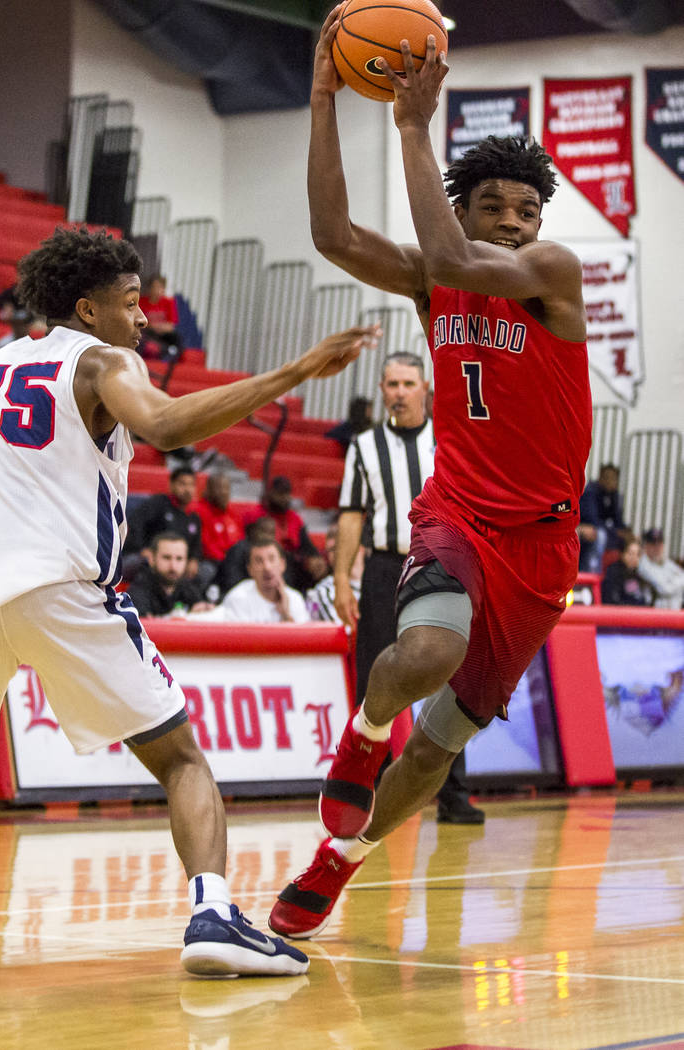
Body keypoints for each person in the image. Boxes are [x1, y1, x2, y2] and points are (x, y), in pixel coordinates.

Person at [0, 227, 377, 975]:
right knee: (183, 759)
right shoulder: (100, 362)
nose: (144, 317)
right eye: (130, 303)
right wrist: (296, 369)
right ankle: (214, 913)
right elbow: (167, 426)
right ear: (87, 310)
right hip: (58, 583)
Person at [268, 14, 591, 941]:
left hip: (543, 544)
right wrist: (327, 99)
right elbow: (331, 232)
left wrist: (411, 125)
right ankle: (362, 731)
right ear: (465, 205)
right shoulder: (435, 276)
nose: (513, 223)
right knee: (423, 657)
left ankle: (341, 860)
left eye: (526, 210)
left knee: (442, 745)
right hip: (458, 512)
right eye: (493, 205)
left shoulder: (551, 273)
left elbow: (452, 257)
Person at [335, 352, 484, 825]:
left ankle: (452, 795)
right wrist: (341, 576)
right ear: (382, 390)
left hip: (440, 567)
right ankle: (371, 791)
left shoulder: (450, 441)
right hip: (382, 568)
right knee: (374, 682)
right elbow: (351, 515)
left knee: (449, 683)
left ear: (426, 389)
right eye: (392, 383)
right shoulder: (363, 445)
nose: (399, 391)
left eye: (408, 383)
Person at [244, 475, 326, 590]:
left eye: (287, 493)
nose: (284, 498)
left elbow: (308, 548)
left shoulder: (294, 518)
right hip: (265, 561)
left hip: (293, 565)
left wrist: (315, 559)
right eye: (280, 493)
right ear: (270, 493)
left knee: (318, 566)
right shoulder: (255, 515)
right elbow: (246, 546)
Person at [123, 465, 203, 579]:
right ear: (171, 484)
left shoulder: (194, 518)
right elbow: (135, 525)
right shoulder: (157, 504)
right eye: (183, 484)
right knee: (145, 564)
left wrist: (194, 559)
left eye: (191, 485)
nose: (188, 489)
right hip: (143, 558)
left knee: (204, 571)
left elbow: (196, 546)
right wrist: (142, 550)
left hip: (176, 563)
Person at [220, 537, 309, 623]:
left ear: (282, 564)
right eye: (259, 561)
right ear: (250, 569)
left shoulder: (295, 599)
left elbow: (300, 637)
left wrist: (285, 614)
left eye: (271, 559)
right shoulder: (238, 598)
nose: (267, 567)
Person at [126, 532, 212, 618]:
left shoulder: (188, 587)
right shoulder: (139, 589)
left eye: (179, 559)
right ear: (152, 559)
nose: (173, 566)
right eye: (166, 558)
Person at [193, 472, 244, 593]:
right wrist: (227, 561)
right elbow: (205, 545)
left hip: (232, 563)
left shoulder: (234, 515)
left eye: (226, 488)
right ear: (208, 490)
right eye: (219, 487)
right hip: (211, 562)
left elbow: (241, 543)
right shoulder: (199, 512)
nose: (223, 492)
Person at [578, 463, 630, 574]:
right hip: (585, 530)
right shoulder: (591, 492)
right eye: (607, 478)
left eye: (614, 479)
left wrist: (626, 532)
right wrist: (615, 531)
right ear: (600, 478)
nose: (610, 482)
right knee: (600, 535)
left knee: (629, 539)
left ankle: (622, 578)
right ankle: (591, 574)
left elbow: (618, 521)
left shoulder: (613, 496)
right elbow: (592, 520)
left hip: (606, 531)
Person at [138, 273, 183, 361]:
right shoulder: (141, 301)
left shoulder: (169, 302)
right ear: (149, 288)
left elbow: (171, 326)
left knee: (176, 338)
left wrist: (158, 327)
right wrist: (152, 326)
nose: (157, 290)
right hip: (148, 332)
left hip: (162, 334)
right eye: (155, 287)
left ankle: (171, 359)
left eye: (160, 287)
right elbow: (139, 323)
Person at [638, 527, 684, 611]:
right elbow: (665, 589)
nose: (657, 547)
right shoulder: (643, 564)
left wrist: (671, 582)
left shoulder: (665, 561)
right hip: (655, 613)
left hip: (675, 611)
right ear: (646, 546)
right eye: (653, 544)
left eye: (659, 543)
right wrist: (676, 580)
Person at [601, 536, 654, 607]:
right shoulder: (613, 573)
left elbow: (647, 599)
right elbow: (611, 600)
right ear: (622, 554)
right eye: (630, 553)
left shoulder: (640, 575)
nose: (634, 558)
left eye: (637, 555)